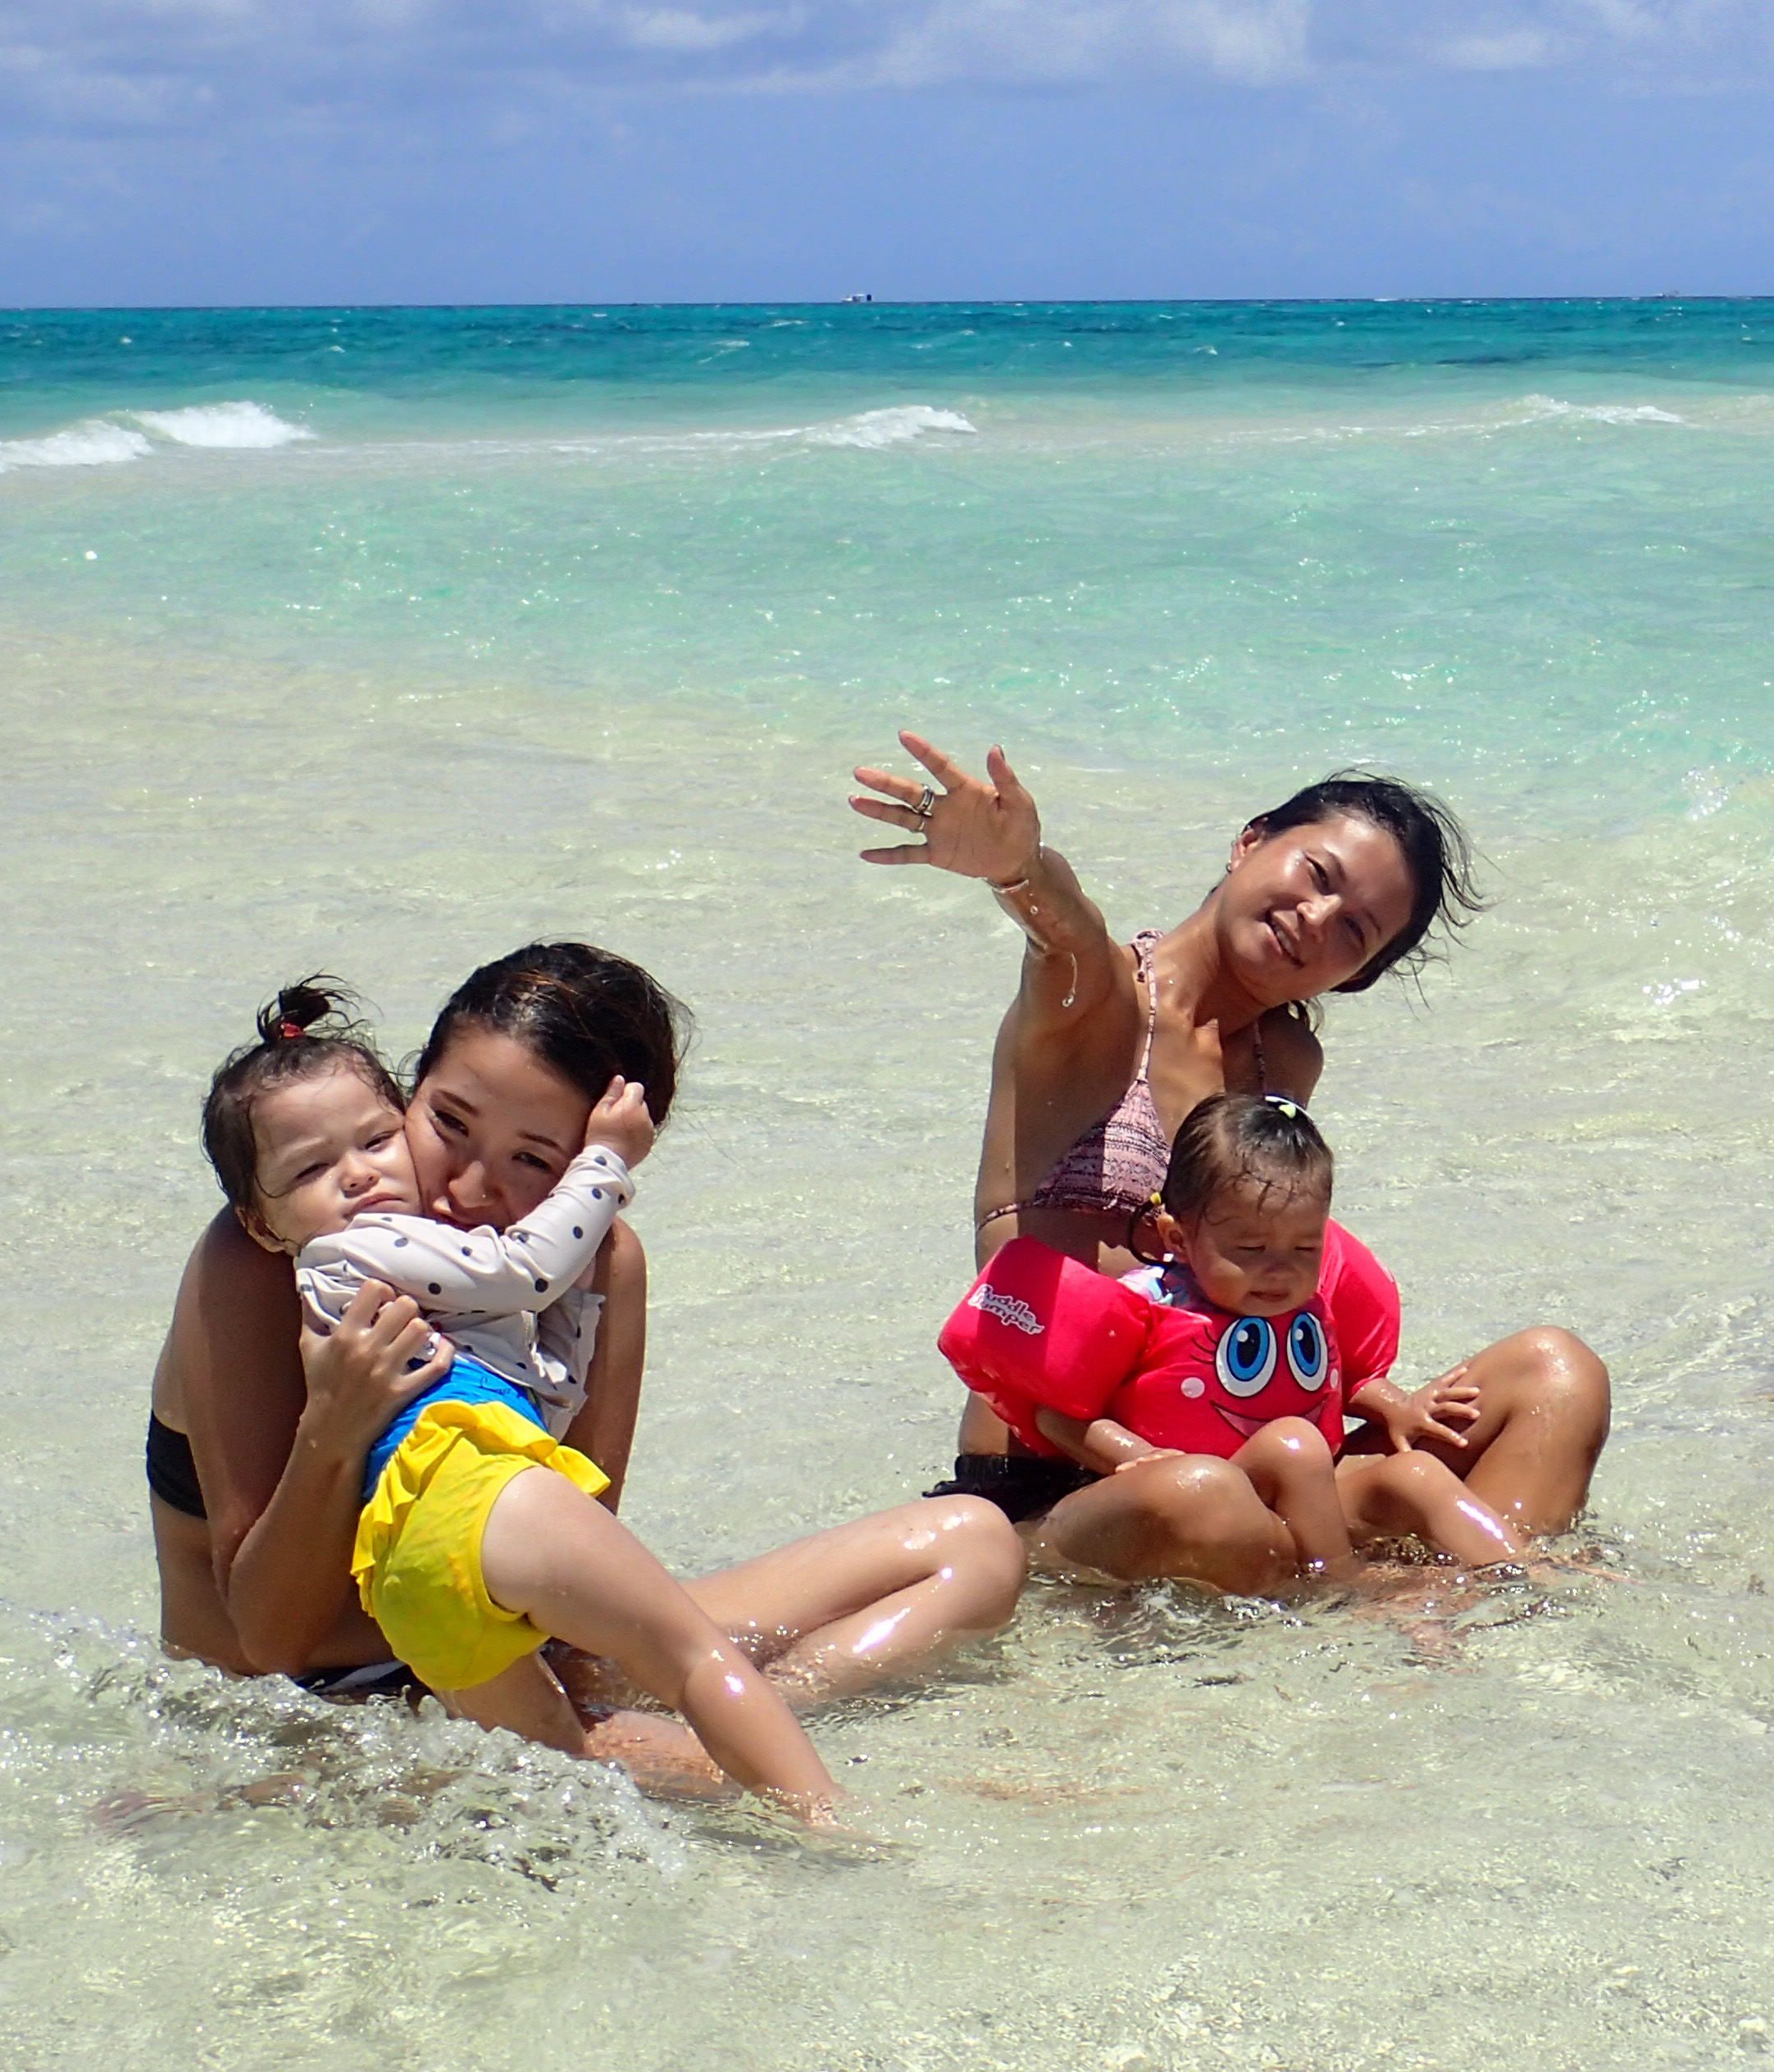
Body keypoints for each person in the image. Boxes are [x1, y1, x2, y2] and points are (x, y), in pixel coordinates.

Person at [146, 943, 1026, 1749]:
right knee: (704, 1766)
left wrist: (658, 1662)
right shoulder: (269, 1258)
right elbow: (269, 1640)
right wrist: (331, 1433)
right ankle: (712, 1749)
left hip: (507, 1636)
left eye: (533, 1160)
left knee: (974, 1542)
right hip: (312, 1715)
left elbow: (578, 1534)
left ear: (596, 1169)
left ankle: (763, 1712)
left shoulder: (599, 1265)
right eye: (448, 1121)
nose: (467, 1187)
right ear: (408, 1088)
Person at [851, 737, 1611, 1579]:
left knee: (1557, 1375)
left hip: (1255, 1464)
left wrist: (1378, 1398)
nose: (1315, 919)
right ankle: (1391, 1593)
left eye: (1354, 931)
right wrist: (1018, 870)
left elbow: (1244, 1286)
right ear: (1250, 841)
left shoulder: (1283, 1065)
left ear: (1355, 976)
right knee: (1202, 1495)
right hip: (1066, 1486)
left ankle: (1485, 1603)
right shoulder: (1095, 1003)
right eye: (1317, 876)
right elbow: (1066, 934)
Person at [202, 984, 843, 1816]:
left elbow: (546, 1397)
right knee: (692, 1661)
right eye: (312, 1169)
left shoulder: (366, 1260)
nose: (357, 1174)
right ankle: (838, 1828)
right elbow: (526, 1273)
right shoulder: (360, 1245)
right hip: (471, 1501)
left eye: (375, 1142)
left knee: (572, 1793)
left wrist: (586, 1300)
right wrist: (605, 1165)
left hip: (410, 1577)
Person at [941, 1091, 1520, 1588]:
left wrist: (1398, 1407)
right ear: (1178, 1238)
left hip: (1299, 1494)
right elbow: (1057, 1417)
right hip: (1201, 1502)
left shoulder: (1308, 1299)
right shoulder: (1142, 1305)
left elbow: (1334, 1382)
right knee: (1292, 1444)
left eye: (1305, 1248)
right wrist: (1135, 1457)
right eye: (1250, 1249)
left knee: (1417, 1477)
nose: (1279, 1270)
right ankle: (1341, 1588)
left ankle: (1522, 1577)